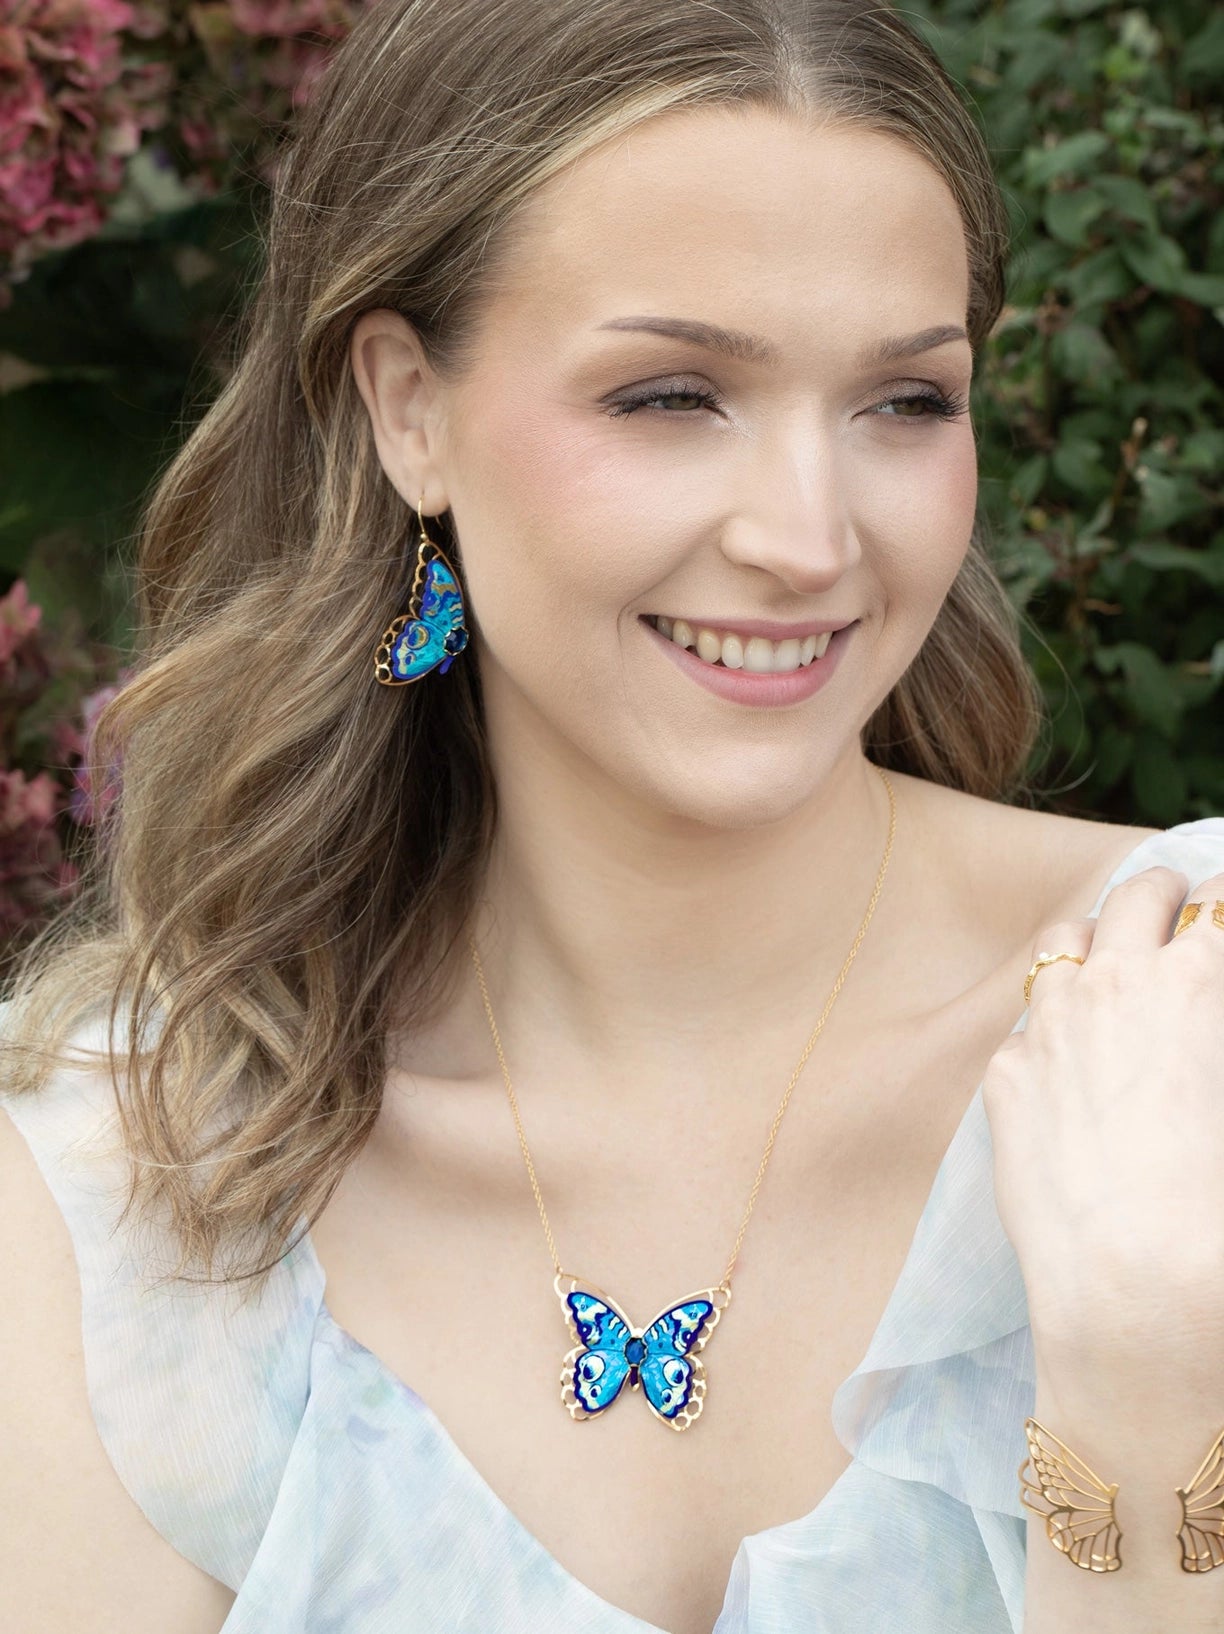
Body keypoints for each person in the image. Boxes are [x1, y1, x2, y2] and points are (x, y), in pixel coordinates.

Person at [2, 0, 1222, 1630]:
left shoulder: (1184, 1029)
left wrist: (1148, 1402)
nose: (808, 535)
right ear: (405, 408)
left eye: (906, 403)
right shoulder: (126, 1190)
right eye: (668, 396)